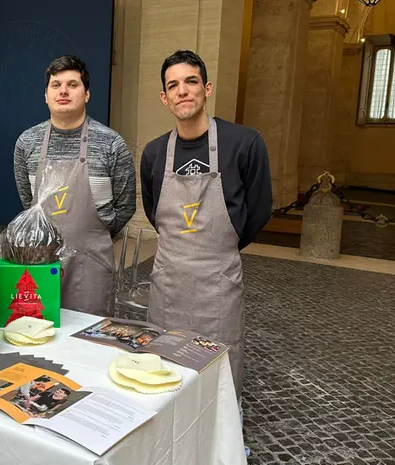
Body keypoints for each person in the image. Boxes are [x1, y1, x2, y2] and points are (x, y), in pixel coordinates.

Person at [141, 50, 272, 404]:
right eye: (173, 85)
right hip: (168, 287)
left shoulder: (244, 144)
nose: (182, 90)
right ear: (164, 98)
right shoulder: (154, 154)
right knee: (164, 372)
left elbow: (258, 211)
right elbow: (154, 212)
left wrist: (218, 247)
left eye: (191, 81)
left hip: (218, 288)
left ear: (207, 88)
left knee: (219, 371)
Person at [14, 55, 136, 317]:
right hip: (40, 262)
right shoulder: (27, 143)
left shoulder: (111, 144)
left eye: (73, 84)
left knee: (90, 341)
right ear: (46, 95)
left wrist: (95, 234)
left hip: (91, 266)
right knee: (39, 336)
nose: (63, 91)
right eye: (56, 85)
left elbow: (126, 206)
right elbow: (28, 202)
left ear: (87, 94)